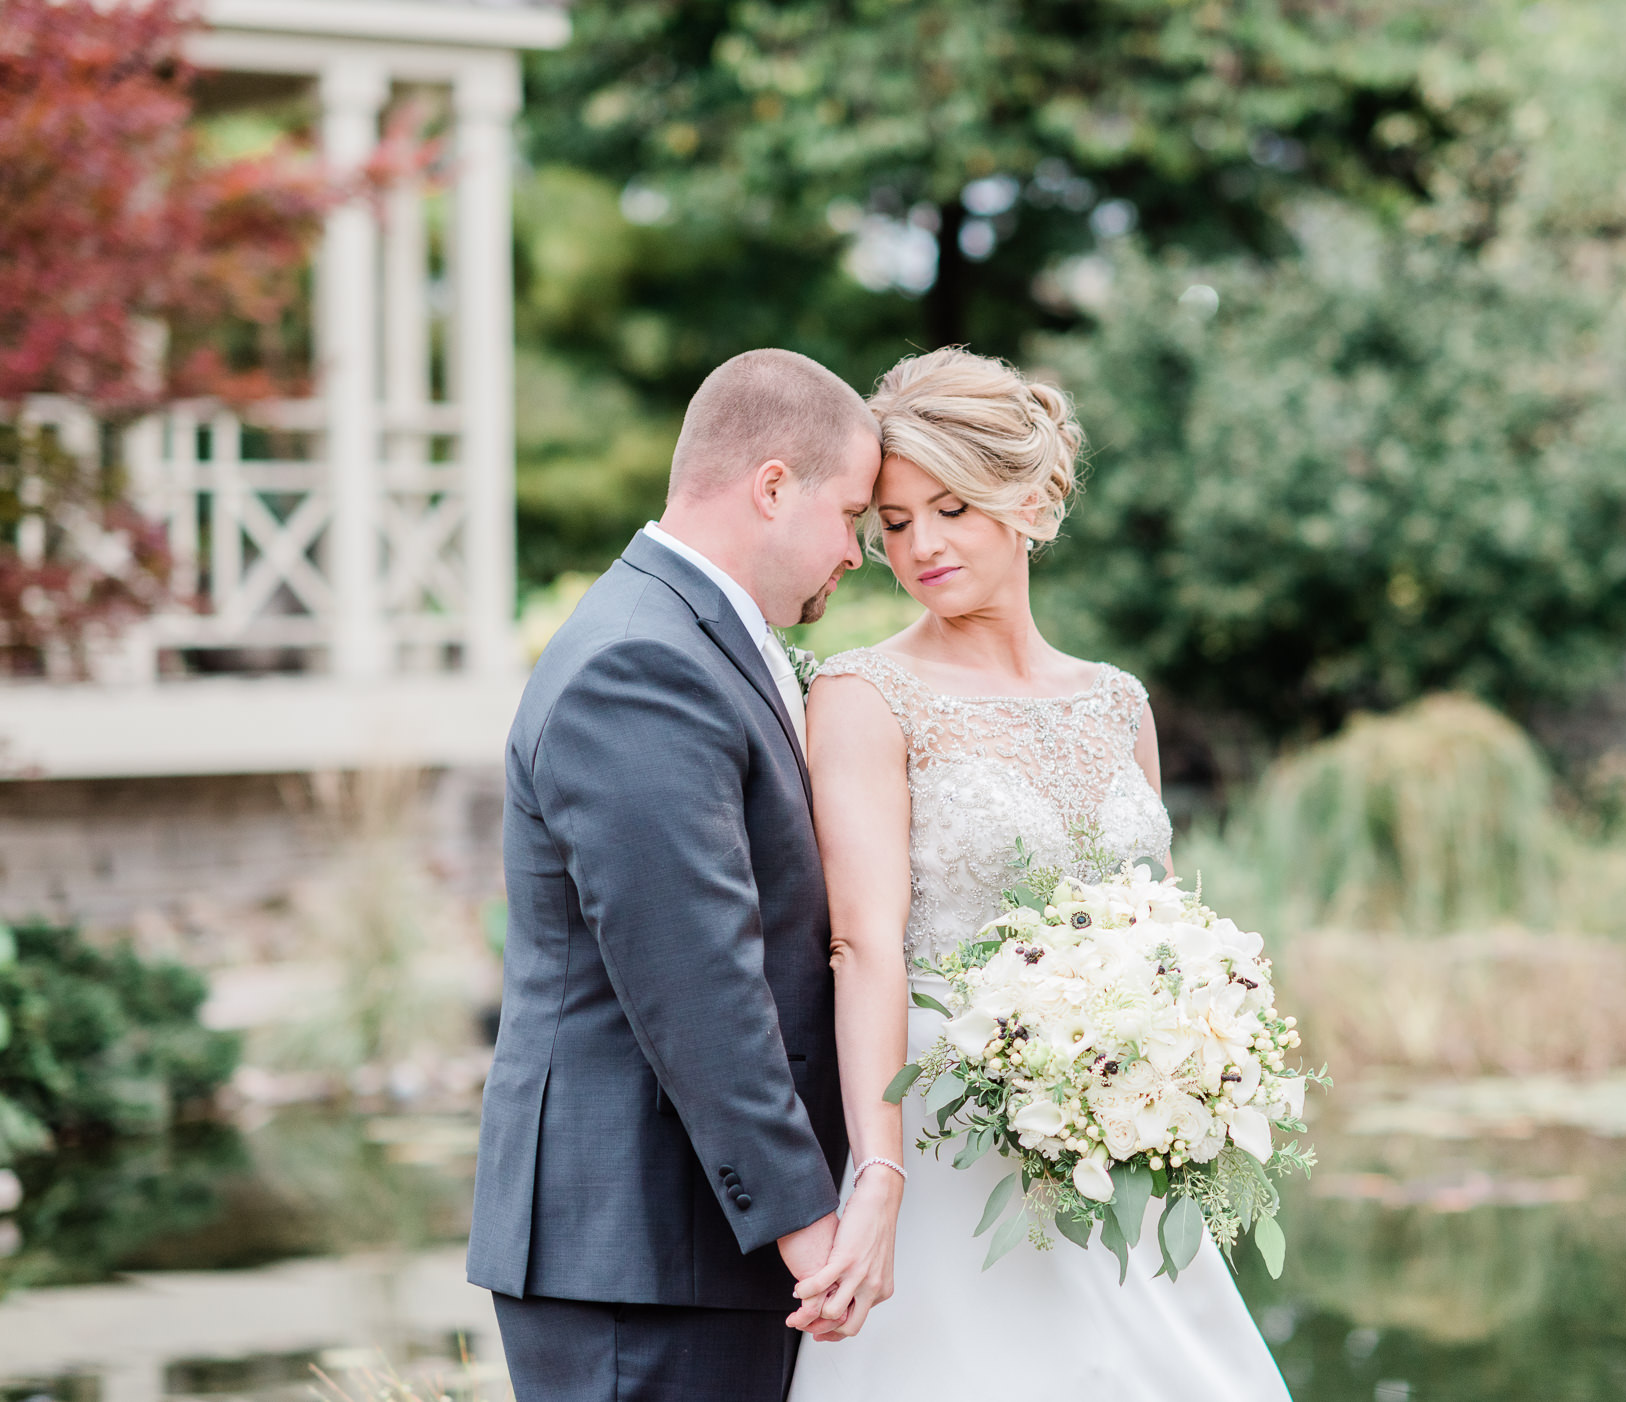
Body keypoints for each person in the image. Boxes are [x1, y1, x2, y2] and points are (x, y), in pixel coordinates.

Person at [783, 347, 1292, 1400]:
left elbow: (1160, 932)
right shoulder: (863, 694)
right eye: (894, 522)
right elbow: (863, 941)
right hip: (947, 1147)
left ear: (1028, 498)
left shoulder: (1117, 703)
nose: (920, 545)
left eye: (952, 508)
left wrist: (1192, 1066)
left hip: (1115, 1148)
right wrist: (879, 1175)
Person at [467, 348, 883, 1400]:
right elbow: (696, 974)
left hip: (684, 1251)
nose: (860, 553)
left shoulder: (694, 638)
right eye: (853, 514)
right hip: (642, 1256)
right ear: (774, 485)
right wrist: (806, 1220)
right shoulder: (639, 663)